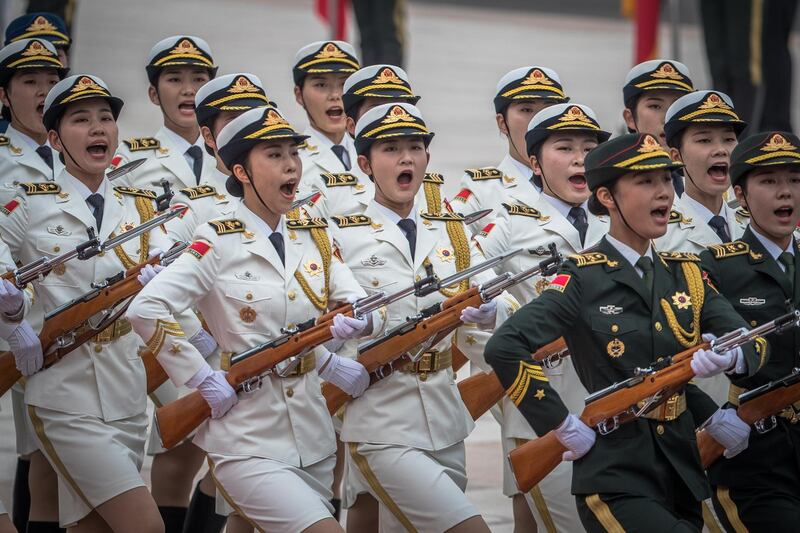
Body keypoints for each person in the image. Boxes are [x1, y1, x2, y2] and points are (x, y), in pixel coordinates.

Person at [485, 132, 766, 532]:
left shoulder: (687, 273)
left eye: (667, 180)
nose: (664, 193)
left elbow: (747, 339)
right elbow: (505, 346)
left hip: (681, 471)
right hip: (615, 475)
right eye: (645, 182)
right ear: (607, 197)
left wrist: (732, 356)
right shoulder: (581, 276)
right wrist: (561, 426)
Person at [127, 105, 379, 533]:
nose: (291, 166)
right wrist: (199, 377)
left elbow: (354, 294)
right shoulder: (218, 240)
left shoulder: (313, 233)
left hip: (311, 436)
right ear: (242, 171)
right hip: (246, 438)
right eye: (274, 155)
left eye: (293, 155)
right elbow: (145, 309)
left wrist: (357, 319)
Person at [0, 73, 179, 532]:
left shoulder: (139, 206)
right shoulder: (31, 205)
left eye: (105, 118)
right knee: (145, 526)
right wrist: (14, 320)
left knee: (93, 528)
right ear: (56, 139)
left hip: (124, 391)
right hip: (63, 396)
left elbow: (183, 270)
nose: (98, 128)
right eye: (81, 120)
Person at [331, 102, 518, 533]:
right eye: (391, 149)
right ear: (365, 163)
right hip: (380, 423)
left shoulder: (451, 229)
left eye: (415, 148)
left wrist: (491, 312)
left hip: (444, 417)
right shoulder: (343, 234)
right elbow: (321, 321)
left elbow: (497, 296)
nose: (405, 159)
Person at [473, 102, 609, 532]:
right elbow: (470, 297)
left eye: (589, 148)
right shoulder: (510, 224)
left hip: (609, 400)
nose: (579, 159)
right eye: (564, 148)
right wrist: (507, 316)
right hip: (543, 404)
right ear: (534, 161)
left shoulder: (615, 219)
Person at [700, 130, 800, 530]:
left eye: (794, 180)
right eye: (769, 181)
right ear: (740, 195)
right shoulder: (717, 265)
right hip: (759, 451)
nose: (786, 193)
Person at [454, 66, 568, 235]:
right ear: (502, 123)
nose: (537, 120)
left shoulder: (588, 183)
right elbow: (447, 240)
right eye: (526, 110)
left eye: (548, 110)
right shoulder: (483, 191)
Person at [302, 63, 420, 221]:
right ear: (351, 125)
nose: (391, 118)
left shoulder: (430, 193)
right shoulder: (329, 195)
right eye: (376, 110)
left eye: (399, 108)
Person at [114, 35, 217, 191]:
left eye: (198, 79)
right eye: (175, 79)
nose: (188, 90)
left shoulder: (227, 154)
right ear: (154, 94)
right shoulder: (131, 159)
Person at [0, 38, 67, 202]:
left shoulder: (77, 151)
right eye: (30, 81)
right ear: (4, 96)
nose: (45, 91)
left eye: (53, 82)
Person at [291, 40, 361, 196]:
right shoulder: (292, 162)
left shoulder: (373, 151)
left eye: (344, 84)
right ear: (299, 95)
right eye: (321, 85)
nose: (335, 95)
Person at [621, 59, 695, 197]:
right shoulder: (617, 187)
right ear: (630, 118)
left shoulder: (710, 184)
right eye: (655, 106)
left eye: (677, 106)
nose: (668, 118)